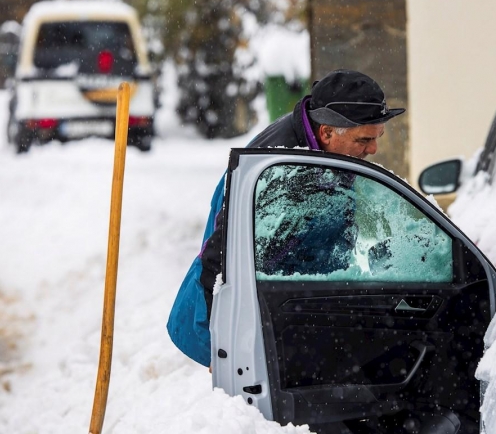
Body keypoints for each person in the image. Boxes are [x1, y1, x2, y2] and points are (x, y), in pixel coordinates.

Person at [167, 69, 406, 367]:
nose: (374, 149)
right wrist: (225, 349)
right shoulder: (281, 175)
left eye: (377, 137)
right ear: (327, 132)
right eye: (364, 140)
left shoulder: (322, 147)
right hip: (224, 326)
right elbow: (225, 256)